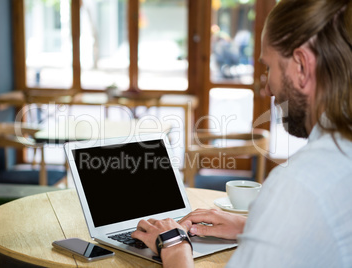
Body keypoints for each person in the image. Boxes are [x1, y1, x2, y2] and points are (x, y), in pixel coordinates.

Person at [131, 0, 352, 267]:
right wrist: (254, 226)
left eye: (269, 67)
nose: (266, 90)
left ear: (302, 67)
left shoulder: (300, 185)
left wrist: (174, 245)